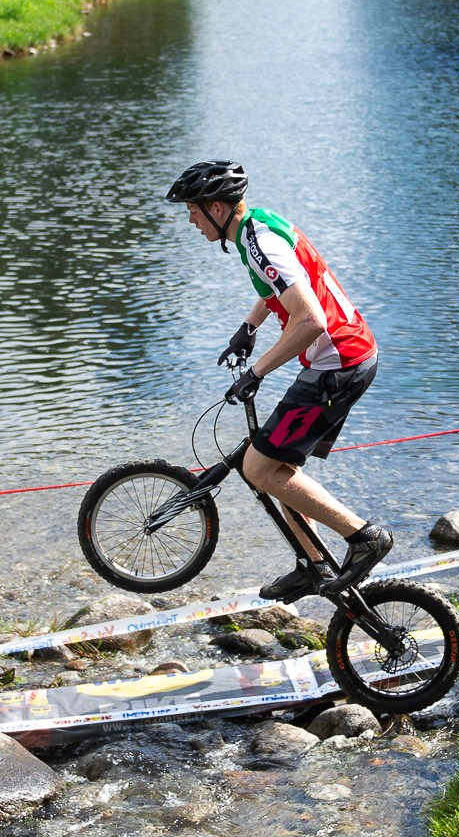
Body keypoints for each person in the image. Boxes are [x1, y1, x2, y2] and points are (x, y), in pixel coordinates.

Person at [164, 161, 395, 601]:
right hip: (343, 358)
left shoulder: (260, 242)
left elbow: (310, 319)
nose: (191, 221)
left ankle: (364, 537)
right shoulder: (257, 226)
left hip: (338, 365)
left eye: (193, 211)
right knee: (278, 467)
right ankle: (313, 563)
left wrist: (257, 372)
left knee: (258, 468)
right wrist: (250, 327)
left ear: (216, 208)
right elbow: (282, 288)